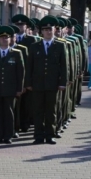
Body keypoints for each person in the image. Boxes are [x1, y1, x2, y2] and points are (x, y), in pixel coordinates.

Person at [28, 15, 67, 144]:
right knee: (38, 111)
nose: (48, 32)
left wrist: (62, 83)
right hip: (37, 84)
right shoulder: (34, 46)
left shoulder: (60, 46)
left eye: (50, 29)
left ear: (54, 30)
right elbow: (30, 67)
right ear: (42, 32)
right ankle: (38, 136)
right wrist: (28, 83)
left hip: (53, 84)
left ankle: (50, 135)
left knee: (51, 111)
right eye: (45, 30)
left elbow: (64, 66)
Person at [0, 26, 25, 144]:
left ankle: (8, 135)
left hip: (10, 88)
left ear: (10, 39)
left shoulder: (17, 53)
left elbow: (21, 73)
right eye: (2, 38)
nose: (4, 40)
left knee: (9, 113)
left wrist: (19, 88)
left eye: (6, 37)